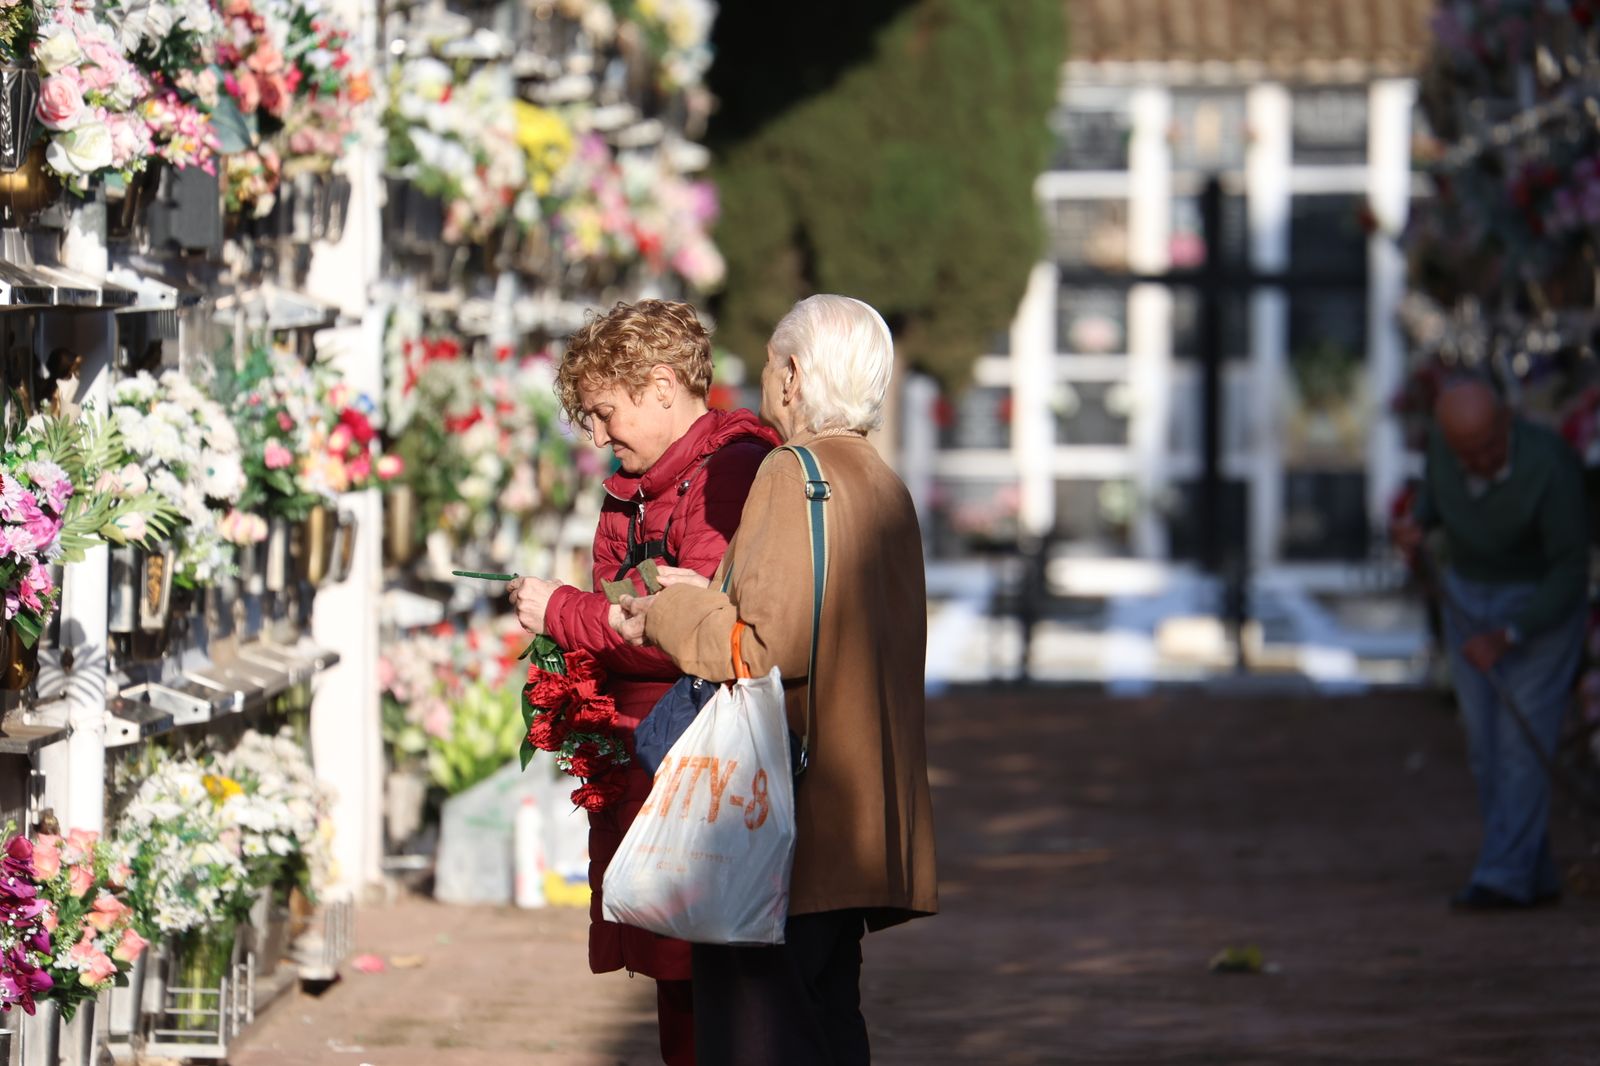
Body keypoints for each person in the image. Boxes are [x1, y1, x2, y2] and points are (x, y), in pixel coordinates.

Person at [614, 294, 939, 1064]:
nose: (761, 381)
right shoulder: (882, 483)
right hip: (859, 824)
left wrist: (660, 616)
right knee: (830, 1026)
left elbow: (756, 649)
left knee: (761, 1033)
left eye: (766, 364)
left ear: (792, 377)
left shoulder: (793, 474)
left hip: (783, 821)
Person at [506, 299, 778, 1065]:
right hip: (651, 760)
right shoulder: (640, 485)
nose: (596, 436)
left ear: (663, 387)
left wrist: (563, 611)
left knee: (720, 979)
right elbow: (636, 612)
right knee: (679, 982)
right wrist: (607, 619)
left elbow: (684, 635)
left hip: (702, 768)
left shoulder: (728, 476)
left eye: (603, 412)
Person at [1393, 378, 1589, 910]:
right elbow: (1433, 496)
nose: (1479, 462)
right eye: (1466, 453)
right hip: (1469, 593)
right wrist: (1415, 525)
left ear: (1507, 423)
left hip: (1538, 602)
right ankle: (1534, 868)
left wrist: (1512, 634)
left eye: (1487, 447)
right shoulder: (1443, 449)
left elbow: (1571, 570)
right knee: (1486, 748)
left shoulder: (1550, 467)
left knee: (1522, 744)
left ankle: (1503, 875)